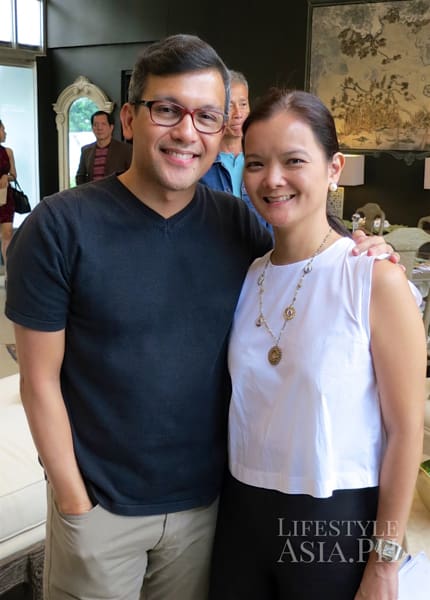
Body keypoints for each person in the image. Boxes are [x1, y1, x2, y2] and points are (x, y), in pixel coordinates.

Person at [5, 36, 397, 600]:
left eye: (206, 116)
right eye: (168, 109)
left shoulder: (238, 224)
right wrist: (74, 503)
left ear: (221, 130)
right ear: (131, 119)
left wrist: (364, 246)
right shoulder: (59, 227)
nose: (187, 132)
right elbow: (39, 381)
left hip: (208, 510)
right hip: (101, 509)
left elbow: (308, 247)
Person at [209, 89, 426, 600]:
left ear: (334, 168)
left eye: (294, 161)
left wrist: (384, 563)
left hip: (332, 520)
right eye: (256, 163)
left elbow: (405, 431)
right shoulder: (248, 275)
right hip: (240, 511)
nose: (272, 179)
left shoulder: (372, 278)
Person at [200, 70, 272, 233]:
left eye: (243, 104)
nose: (238, 114)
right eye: (229, 106)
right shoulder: (201, 165)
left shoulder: (264, 161)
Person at [75, 110, 132, 184]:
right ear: (92, 128)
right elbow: (80, 176)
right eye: (96, 124)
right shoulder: (86, 151)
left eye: (103, 124)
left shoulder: (126, 149)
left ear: (111, 127)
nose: (99, 128)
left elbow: (132, 176)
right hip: (92, 191)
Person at [0, 118, 17, 268]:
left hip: (5, 196)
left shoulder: (8, 151)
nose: (5, 133)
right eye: (2, 129)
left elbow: (14, 175)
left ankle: (8, 272)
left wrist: (6, 176)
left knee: (8, 234)